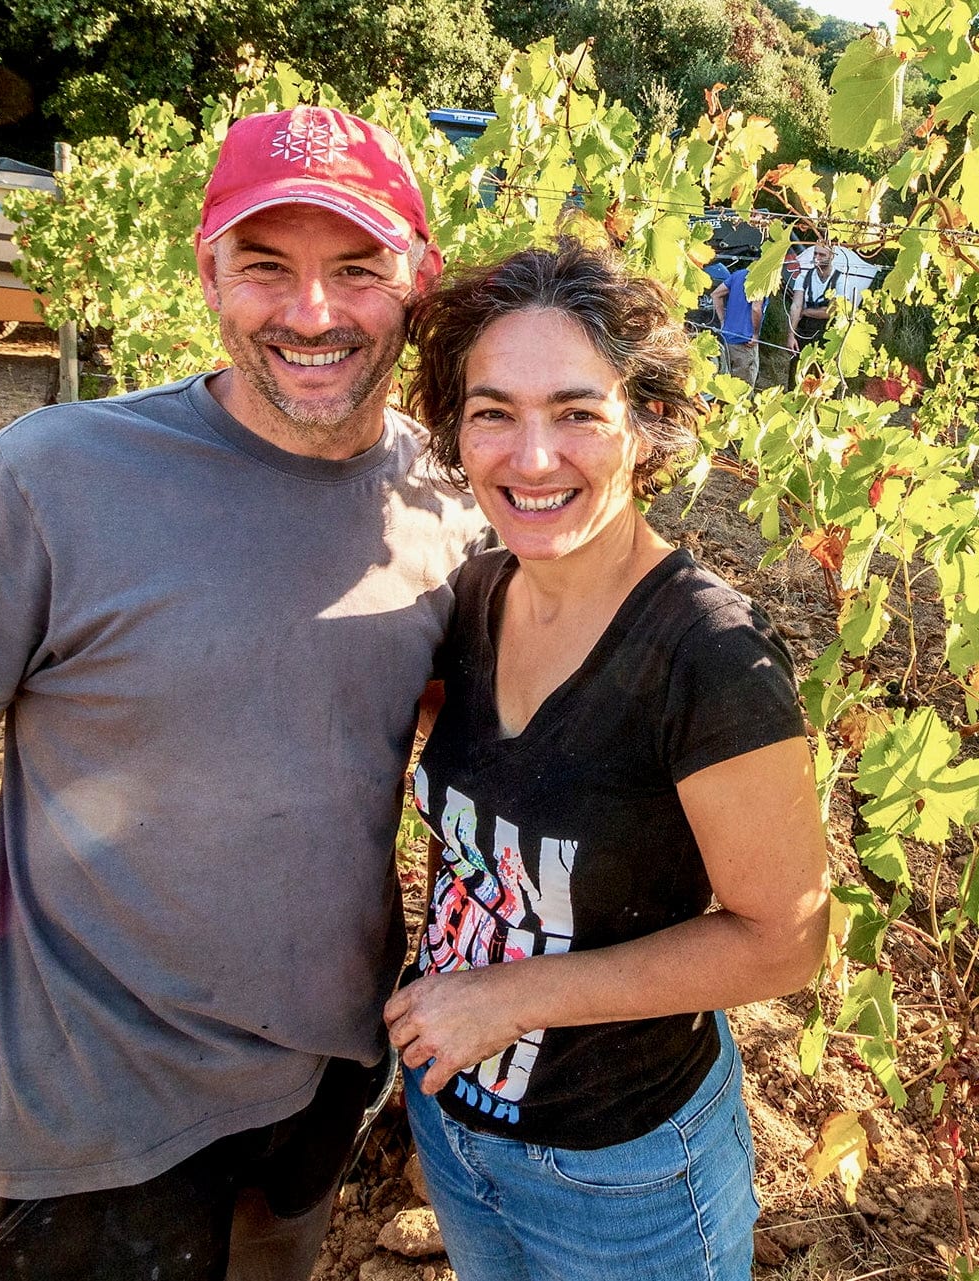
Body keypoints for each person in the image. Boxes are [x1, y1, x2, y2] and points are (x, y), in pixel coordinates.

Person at [0, 106, 490, 1281]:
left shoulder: (452, 506)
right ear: (209, 274)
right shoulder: (54, 478)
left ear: (419, 279)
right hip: (97, 1107)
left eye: (356, 269)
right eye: (266, 267)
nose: (312, 313)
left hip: (331, 1062)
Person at [383, 241, 830, 1281]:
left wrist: (513, 997)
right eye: (493, 411)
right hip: (452, 1127)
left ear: (645, 426)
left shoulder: (708, 659)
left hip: (624, 1178)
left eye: (578, 411)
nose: (531, 457)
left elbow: (785, 944)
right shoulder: (473, 601)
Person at [788, 239, 841, 370]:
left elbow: (831, 311)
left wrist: (805, 312)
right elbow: (795, 306)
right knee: (796, 375)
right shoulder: (804, 276)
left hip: (828, 335)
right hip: (804, 331)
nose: (817, 258)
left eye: (822, 255)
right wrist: (790, 336)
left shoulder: (841, 279)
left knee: (824, 378)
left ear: (832, 256)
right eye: (815, 253)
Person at [711, 259, 762, 388]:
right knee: (743, 389)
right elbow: (756, 308)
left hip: (727, 339)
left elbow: (715, 294)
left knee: (726, 384)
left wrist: (723, 321)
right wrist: (755, 334)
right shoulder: (762, 280)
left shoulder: (738, 275)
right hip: (745, 342)